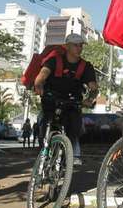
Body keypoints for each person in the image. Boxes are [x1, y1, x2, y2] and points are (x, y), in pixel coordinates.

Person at [33, 33, 98, 166]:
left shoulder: (86, 66)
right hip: (52, 99)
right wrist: (38, 85)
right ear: (67, 46)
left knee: (74, 128)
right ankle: (44, 151)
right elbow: (42, 75)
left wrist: (90, 98)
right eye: (75, 45)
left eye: (81, 45)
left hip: (72, 102)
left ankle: (64, 159)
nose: (79, 48)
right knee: (45, 123)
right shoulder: (54, 60)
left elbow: (93, 87)